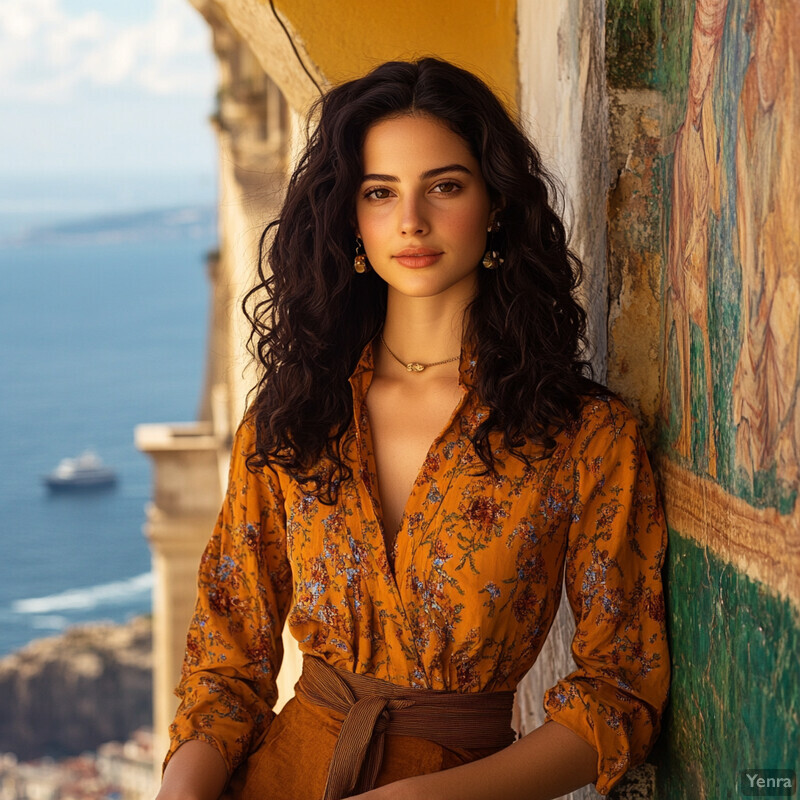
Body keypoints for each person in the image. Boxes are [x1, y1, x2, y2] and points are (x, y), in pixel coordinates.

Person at [157, 58, 670, 800]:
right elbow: (225, 665)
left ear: (495, 202)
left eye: (445, 186)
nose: (411, 222)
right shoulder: (294, 420)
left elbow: (620, 695)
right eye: (380, 192)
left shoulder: (587, 438)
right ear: (351, 219)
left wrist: (423, 796)